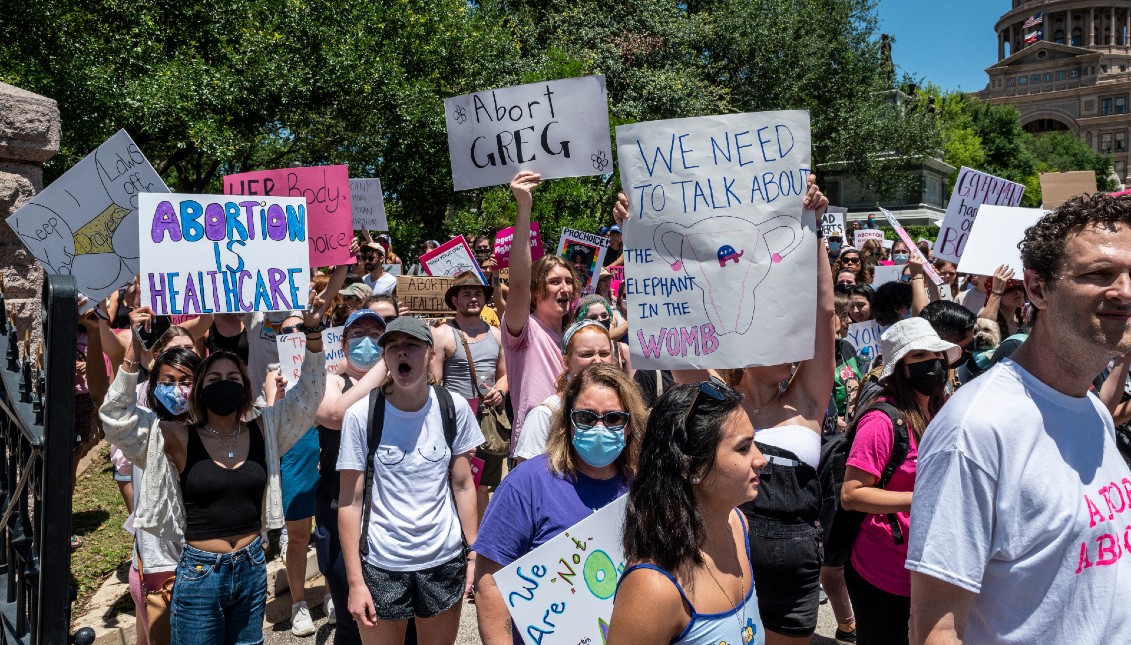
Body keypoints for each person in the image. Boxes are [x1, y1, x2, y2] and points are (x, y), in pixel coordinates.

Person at [907, 194, 1131, 644]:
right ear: (1037, 288)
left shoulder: (1093, 411)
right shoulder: (975, 429)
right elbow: (936, 629)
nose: (1125, 291)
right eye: (1099, 274)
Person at [100, 295, 328, 644]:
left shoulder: (264, 428)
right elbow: (117, 419)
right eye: (214, 377)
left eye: (233, 376)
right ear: (201, 392)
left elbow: (309, 396)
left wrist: (313, 334)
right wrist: (133, 352)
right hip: (199, 573)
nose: (224, 382)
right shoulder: (176, 436)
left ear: (246, 386)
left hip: (252, 569)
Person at [474, 364, 646, 644]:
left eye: (613, 418)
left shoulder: (644, 487)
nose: (599, 427)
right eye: (586, 417)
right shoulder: (527, 484)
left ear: (629, 427)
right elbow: (489, 583)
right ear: (568, 421)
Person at [337, 317, 482, 645]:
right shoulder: (362, 416)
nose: (402, 353)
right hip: (381, 564)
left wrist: (473, 554)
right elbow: (350, 501)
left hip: (443, 561)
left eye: (412, 346)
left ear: (431, 355)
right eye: (393, 347)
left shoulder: (452, 407)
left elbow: (462, 485)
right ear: (385, 358)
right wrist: (356, 582)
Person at [607, 378, 768, 645]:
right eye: (743, 448)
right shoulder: (652, 588)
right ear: (692, 468)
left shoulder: (739, 526)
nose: (761, 458)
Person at [839, 318, 958, 645]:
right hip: (885, 573)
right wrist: (919, 498)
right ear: (901, 369)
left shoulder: (944, 409)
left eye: (935, 354)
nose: (932, 362)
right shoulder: (881, 421)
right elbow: (851, 494)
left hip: (932, 568)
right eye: (918, 356)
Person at [311, 308, 387, 644]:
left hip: (387, 511)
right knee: (350, 617)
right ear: (343, 343)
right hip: (339, 507)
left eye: (377, 335)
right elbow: (335, 414)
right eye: (359, 334)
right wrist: (385, 365)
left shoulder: (399, 384)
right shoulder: (330, 381)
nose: (367, 342)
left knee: (393, 614)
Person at [501, 171, 577, 457]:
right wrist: (524, 208)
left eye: (568, 281)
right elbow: (518, 283)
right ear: (535, 292)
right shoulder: (524, 331)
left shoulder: (575, 337)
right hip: (537, 450)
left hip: (576, 447)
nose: (564, 288)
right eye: (555, 282)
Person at [431, 272, 509, 522]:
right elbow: (434, 384)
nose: (474, 298)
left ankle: (479, 541)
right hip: (454, 422)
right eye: (467, 294)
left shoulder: (497, 334)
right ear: (455, 300)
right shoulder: (442, 334)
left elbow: (505, 375)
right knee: (455, 481)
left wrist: (500, 391)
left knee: (482, 485)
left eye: (478, 293)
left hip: (488, 420)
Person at [512, 319, 619, 461]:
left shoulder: (623, 407)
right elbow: (527, 478)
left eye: (604, 354)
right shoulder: (545, 415)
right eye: (586, 355)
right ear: (566, 361)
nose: (597, 361)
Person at [977, 265, 1025, 337]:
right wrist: (996, 292)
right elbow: (984, 327)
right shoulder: (991, 323)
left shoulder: (1023, 323)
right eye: (1010, 289)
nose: (1018, 292)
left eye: (1020, 288)